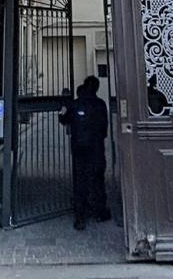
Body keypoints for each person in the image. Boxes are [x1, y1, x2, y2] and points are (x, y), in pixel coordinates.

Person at [58, 75, 110, 230]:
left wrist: (62, 107)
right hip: (97, 149)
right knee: (98, 180)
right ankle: (100, 212)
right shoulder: (100, 105)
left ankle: (80, 218)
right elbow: (104, 129)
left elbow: (63, 119)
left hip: (79, 149)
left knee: (80, 181)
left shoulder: (75, 104)